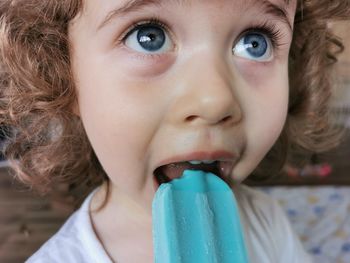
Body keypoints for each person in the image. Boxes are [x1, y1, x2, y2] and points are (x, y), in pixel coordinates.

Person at [0, 0, 349, 262]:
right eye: (148, 37)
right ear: (63, 74)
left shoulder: (266, 222)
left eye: (255, 42)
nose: (215, 100)